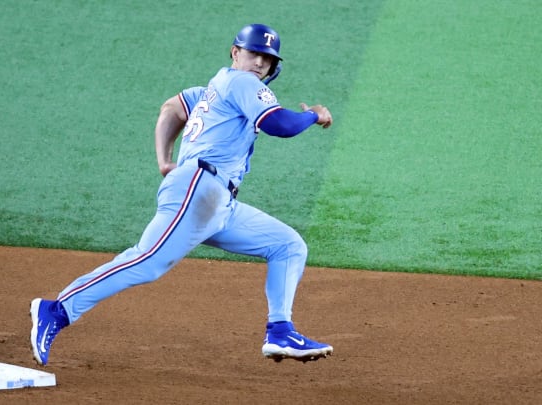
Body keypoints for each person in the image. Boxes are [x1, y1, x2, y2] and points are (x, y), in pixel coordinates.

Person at [30, 23, 334, 365]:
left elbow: (171, 109)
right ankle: (56, 309)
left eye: (267, 58)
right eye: (253, 54)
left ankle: (280, 331)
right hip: (199, 189)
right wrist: (313, 115)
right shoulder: (242, 82)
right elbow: (280, 125)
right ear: (235, 53)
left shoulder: (210, 92)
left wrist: (164, 160)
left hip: (219, 203)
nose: (260, 63)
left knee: (287, 245)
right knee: (147, 261)